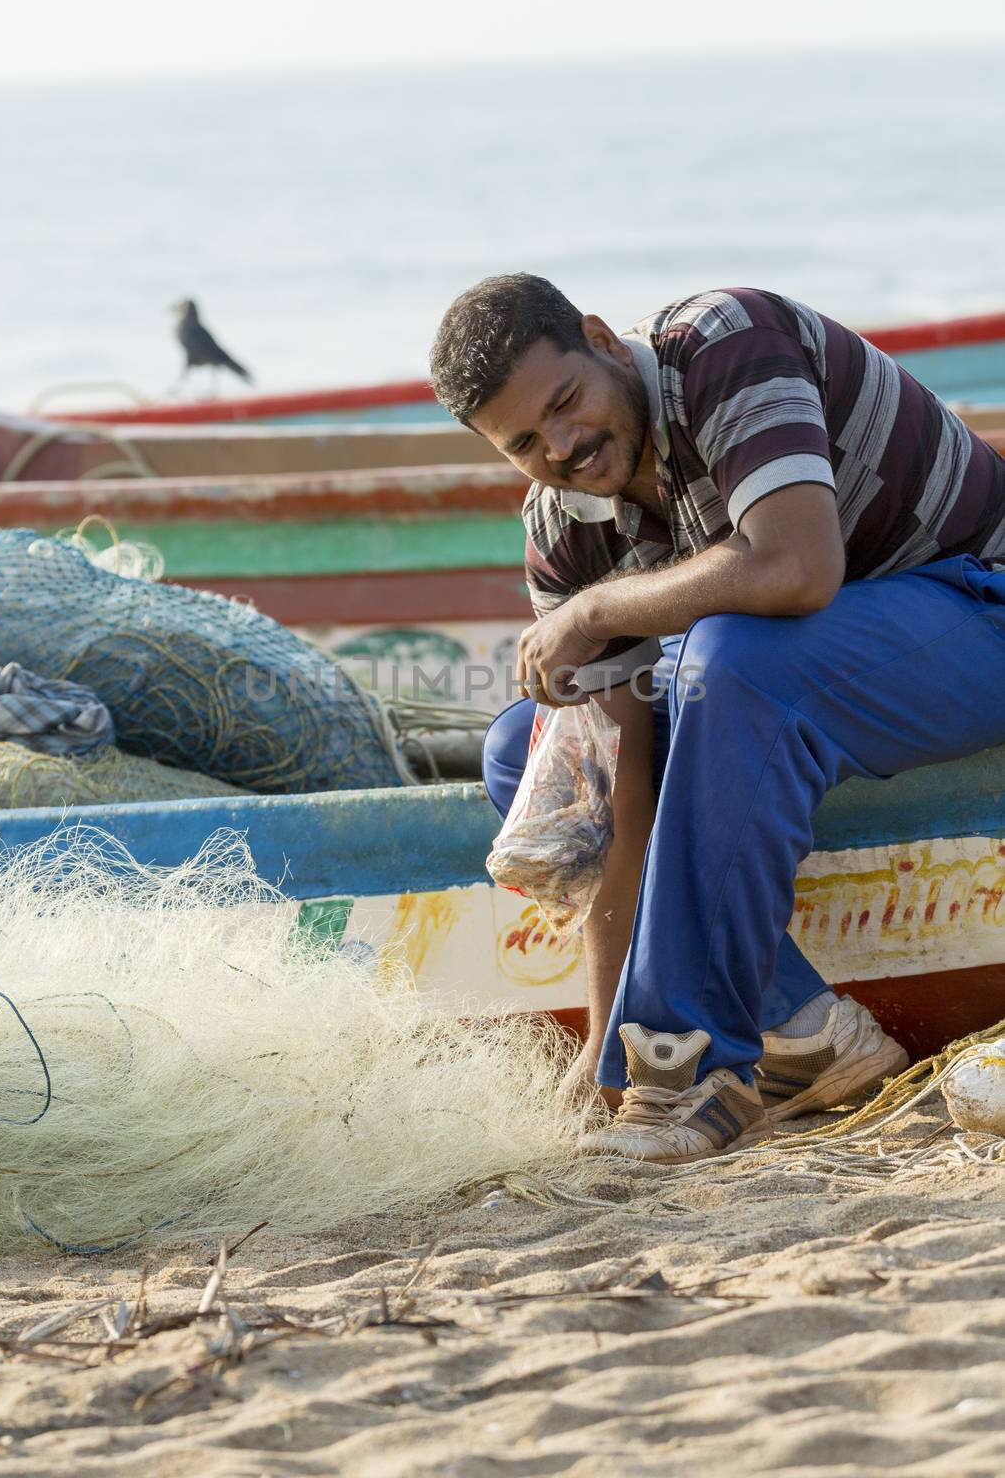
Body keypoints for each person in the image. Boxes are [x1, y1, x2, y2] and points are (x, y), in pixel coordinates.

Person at [429, 276, 1005, 1163]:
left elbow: (794, 568)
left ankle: (692, 1071)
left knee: (733, 661)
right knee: (534, 750)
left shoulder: (724, 343)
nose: (564, 446)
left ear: (599, 338)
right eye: (525, 443)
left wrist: (592, 613)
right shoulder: (561, 521)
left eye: (567, 402)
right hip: (814, 667)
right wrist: (602, 1045)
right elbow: (614, 805)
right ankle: (807, 1032)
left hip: (978, 608)